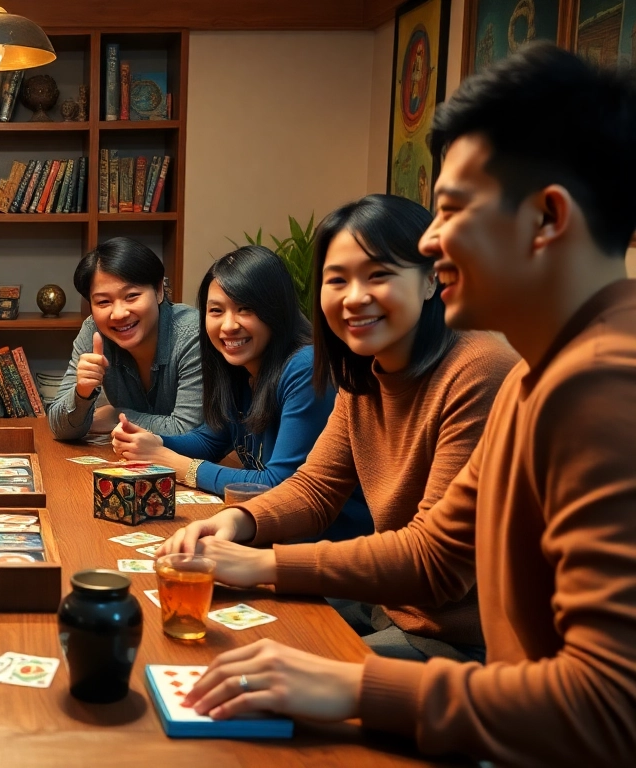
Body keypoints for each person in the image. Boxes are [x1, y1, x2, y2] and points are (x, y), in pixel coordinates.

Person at [172, 45, 636, 767]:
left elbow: (608, 712)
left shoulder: (598, 385)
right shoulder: (539, 372)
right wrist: (244, 538)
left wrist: (353, 687)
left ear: (547, 218)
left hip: (477, 685)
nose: (429, 239)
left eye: (450, 210)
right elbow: (427, 539)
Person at [162, 193, 518, 661]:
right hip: (386, 609)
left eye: (379, 275)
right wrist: (235, 521)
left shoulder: (478, 370)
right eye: (337, 280)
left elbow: (437, 562)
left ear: (432, 279)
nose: (354, 297)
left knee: (252, 680)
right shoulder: (363, 373)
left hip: (467, 642)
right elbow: (314, 488)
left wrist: (264, 564)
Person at [111, 245, 372, 542]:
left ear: (276, 310)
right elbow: (211, 440)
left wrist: (179, 465)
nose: (229, 325)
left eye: (245, 309)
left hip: (331, 547)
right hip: (273, 534)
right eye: (216, 311)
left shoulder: (305, 366)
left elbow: (278, 486)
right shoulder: (237, 366)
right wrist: (155, 443)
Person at [48, 237, 204, 440]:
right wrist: (82, 393)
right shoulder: (94, 331)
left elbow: (189, 433)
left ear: (158, 291)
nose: (119, 314)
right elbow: (59, 428)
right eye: (103, 301)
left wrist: (116, 415)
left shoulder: (192, 334)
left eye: (131, 296)